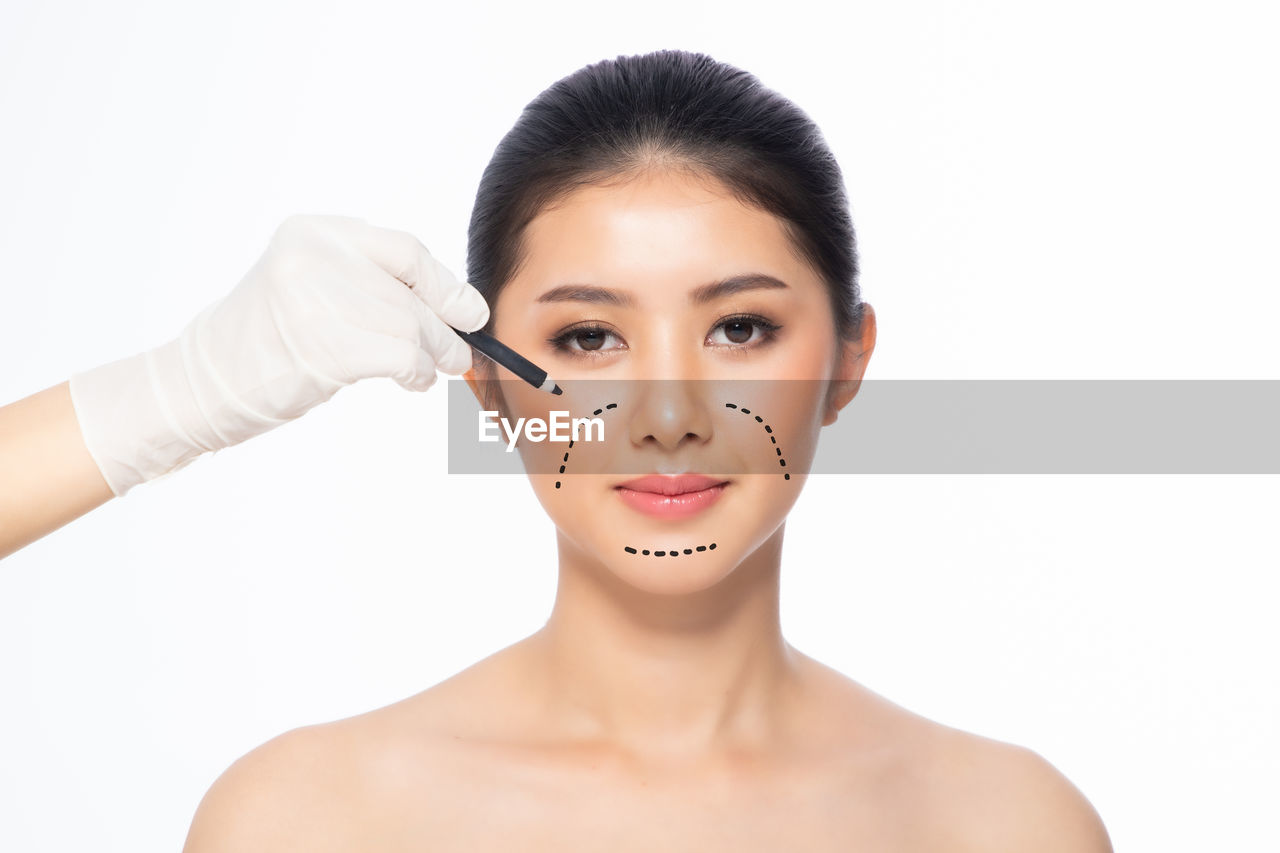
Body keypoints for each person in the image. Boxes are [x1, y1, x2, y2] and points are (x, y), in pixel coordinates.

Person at [4, 49, 1113, 850]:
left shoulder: (1010, 825)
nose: (666, 416)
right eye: (588, 337)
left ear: (845, 362)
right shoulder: (305, 819)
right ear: (487, 382)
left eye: (739, 328)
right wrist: (164, 396)